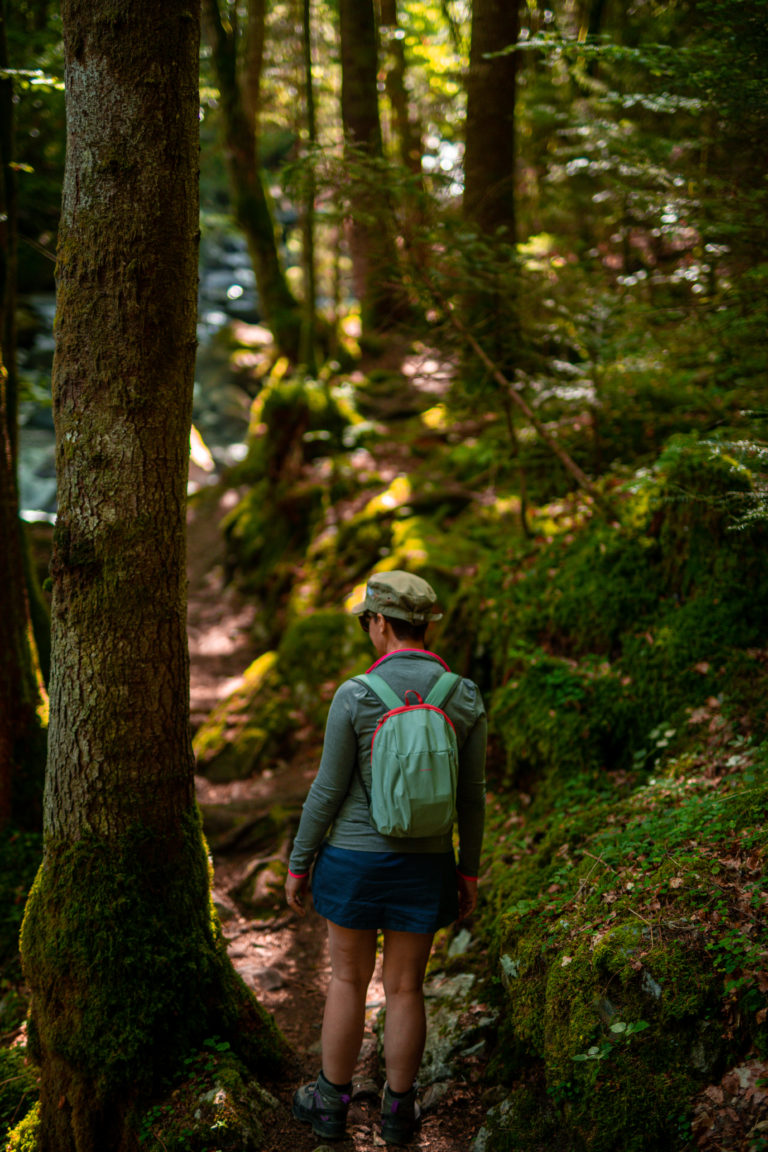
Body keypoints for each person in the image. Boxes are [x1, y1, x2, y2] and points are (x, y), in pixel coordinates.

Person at [284, 570, 487, 1145]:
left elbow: (326, 790)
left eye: (368, 621)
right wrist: (466, 869)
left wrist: (300, 863)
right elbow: (472, 796)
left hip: (352, 859)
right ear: (424, 626)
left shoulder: (355, 694)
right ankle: (399, 1112)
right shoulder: (463, 695)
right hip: (425, 864)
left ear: (378, 623)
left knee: (347, 978)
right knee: (405, 988)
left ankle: (329, 1104)